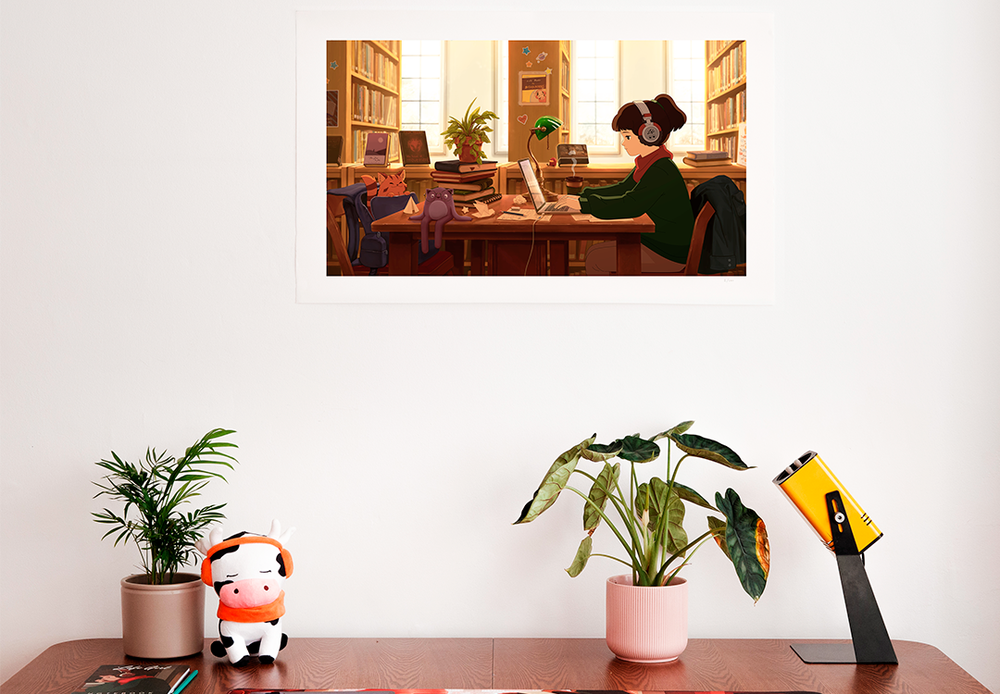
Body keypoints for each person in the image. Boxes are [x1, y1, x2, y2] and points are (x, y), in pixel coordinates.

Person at [569, 94, 695, 274]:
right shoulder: (649, 163)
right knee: (595, 253)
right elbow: (623, 188)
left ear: (650, 134)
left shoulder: (661, 170)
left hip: (668, 254)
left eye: (627, 137)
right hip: (657, 243)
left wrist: (584, 205)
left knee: (594, 258)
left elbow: (631, 204)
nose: (623, 142)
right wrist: (585, 195)